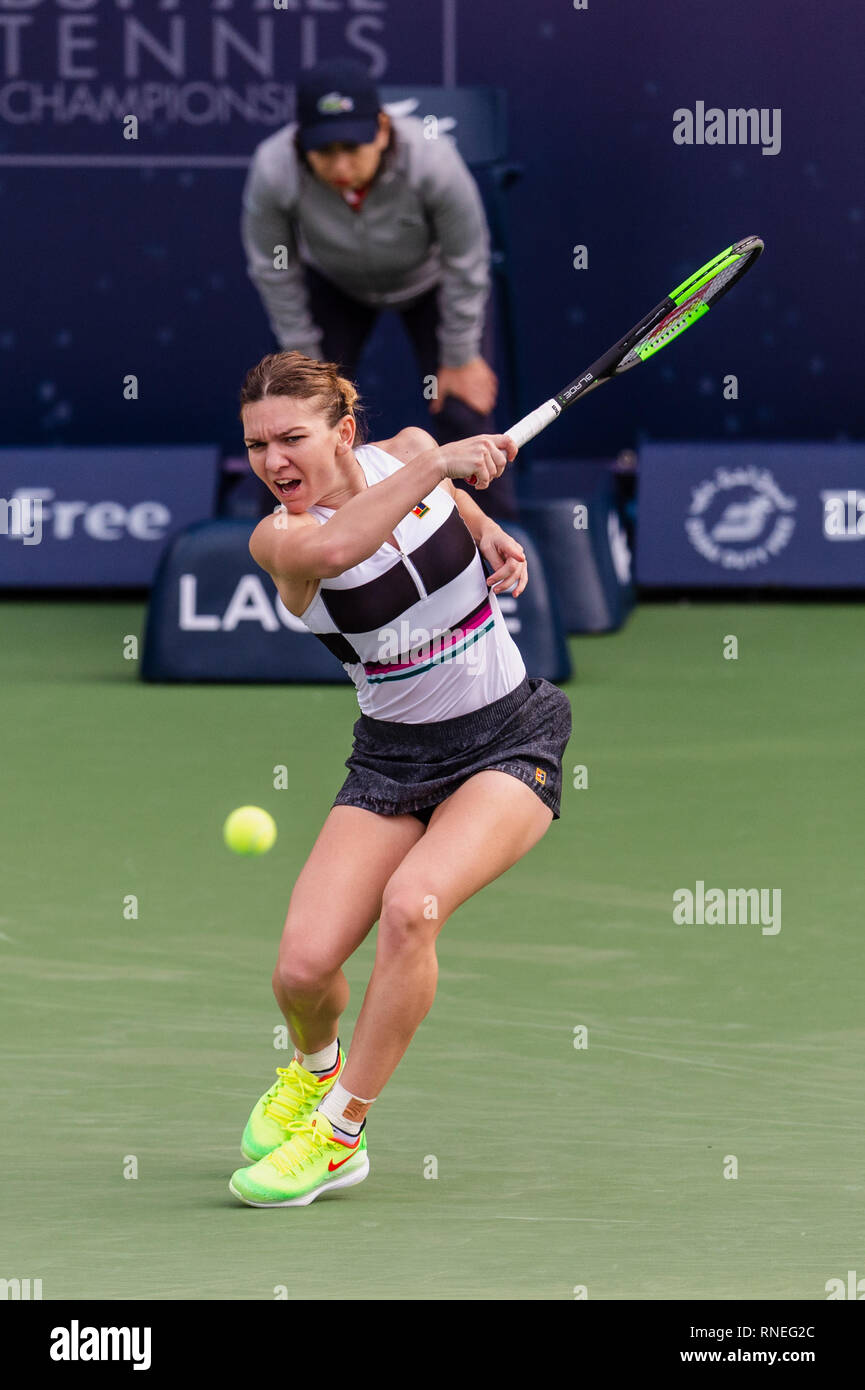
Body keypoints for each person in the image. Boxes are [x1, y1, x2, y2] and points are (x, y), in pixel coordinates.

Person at [229, 351, 571, 1207]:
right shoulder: (282, 538)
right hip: (391, 759)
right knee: (302, 974)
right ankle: (315, 1070)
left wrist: (488, 528)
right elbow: (350, 540)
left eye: (290, 438)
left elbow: (443, 498)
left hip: (508, 737)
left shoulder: (410, 451)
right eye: (257, 445)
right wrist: (439, 466)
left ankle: (341, 1133)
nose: (273, 462)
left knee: (412, 909)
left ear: (344, 433)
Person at [241, 58, 518, 519]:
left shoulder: (433, 160)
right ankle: (283, 547)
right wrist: (305, 364)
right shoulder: (274, 168)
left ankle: (494, 543)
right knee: (293, 412)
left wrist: (460, 355)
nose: (341, 164)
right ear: (299, 143)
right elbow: (274, 269)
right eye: (324, 150)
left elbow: (466, 261)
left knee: (462, 405)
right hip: (333, 282)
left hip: (430, 282)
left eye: (353, 146)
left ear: (383, 130)